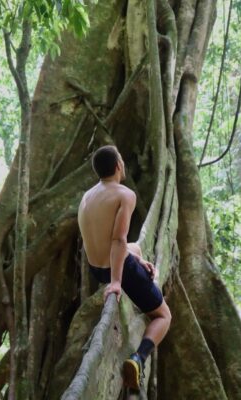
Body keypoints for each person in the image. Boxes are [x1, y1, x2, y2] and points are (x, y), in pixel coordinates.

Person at [78, 145, 171, 390]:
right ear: (119, 165)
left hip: (95, 267)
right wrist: (117, 282)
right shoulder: (125, 195)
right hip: (116, 269)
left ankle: (138, 261)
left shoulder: (87, 196)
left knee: (136, 249)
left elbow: (101, 239)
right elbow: (118, 240)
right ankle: (138, 359)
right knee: (163, 316)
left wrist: (137, 259)